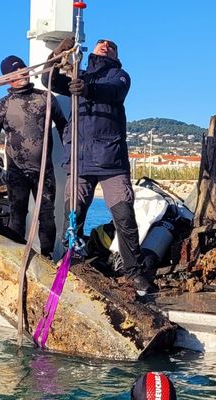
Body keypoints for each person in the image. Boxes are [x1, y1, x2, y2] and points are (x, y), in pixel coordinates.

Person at [43, 37, 153, 295]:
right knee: (74, 214)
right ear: (92, 50)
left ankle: (133, 272)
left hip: (110, 160)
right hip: (79, 159)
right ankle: (70, 260)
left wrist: (88, 89)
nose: (105, 45)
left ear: (115, 55)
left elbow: (113, 92)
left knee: (124, 216)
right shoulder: (77, 74)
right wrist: (58, 54)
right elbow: (48, 80)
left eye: (112, 45)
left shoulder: (120, 76)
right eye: (101, 43)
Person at [0, 55, 67, 258]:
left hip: (43, 171)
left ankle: (47, 257)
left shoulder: (45, 98)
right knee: (17, 215)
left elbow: (65, 127)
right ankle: (16, 257)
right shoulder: (3, 104)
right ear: (6, 78)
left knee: (47, 216)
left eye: (23, 67)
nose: (21, 71)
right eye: (15, 70)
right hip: (16, 171)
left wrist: (72, 154)